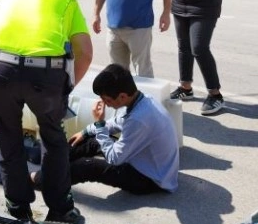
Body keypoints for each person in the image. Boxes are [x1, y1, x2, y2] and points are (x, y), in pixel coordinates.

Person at [0, 0, 93, 224]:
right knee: (53, 138)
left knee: (8, 138)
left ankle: (18, 208)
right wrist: (66, 88)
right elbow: (85, 51)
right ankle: (60, 209)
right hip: (44, 73)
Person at [31, 64, 179, 194]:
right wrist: (85, 132)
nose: (106, 105)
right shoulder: (141, 99)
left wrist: (99, 125)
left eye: (107, 100)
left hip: (149, 178)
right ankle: (50, 160)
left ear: (122, 96)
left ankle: (40, 180)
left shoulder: (139, 119)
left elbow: (114, 158)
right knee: (91, 140)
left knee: (87, 166)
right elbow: (115, 123)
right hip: (142, 158)